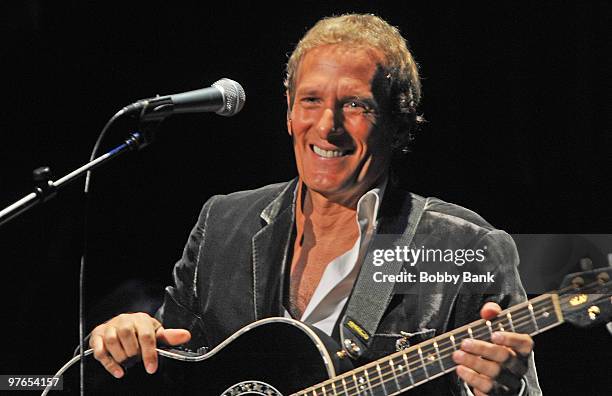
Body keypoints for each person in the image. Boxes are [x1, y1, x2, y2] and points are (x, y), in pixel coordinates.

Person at [90, 14, 541, 395]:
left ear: (399, 126)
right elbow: (173, 363)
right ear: (288, 110)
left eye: (354, 106)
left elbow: (517, 383)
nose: (328, 126)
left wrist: (505, 389)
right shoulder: (225, 222)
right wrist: (123, 341)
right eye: (311, 100)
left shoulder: (467, 247)